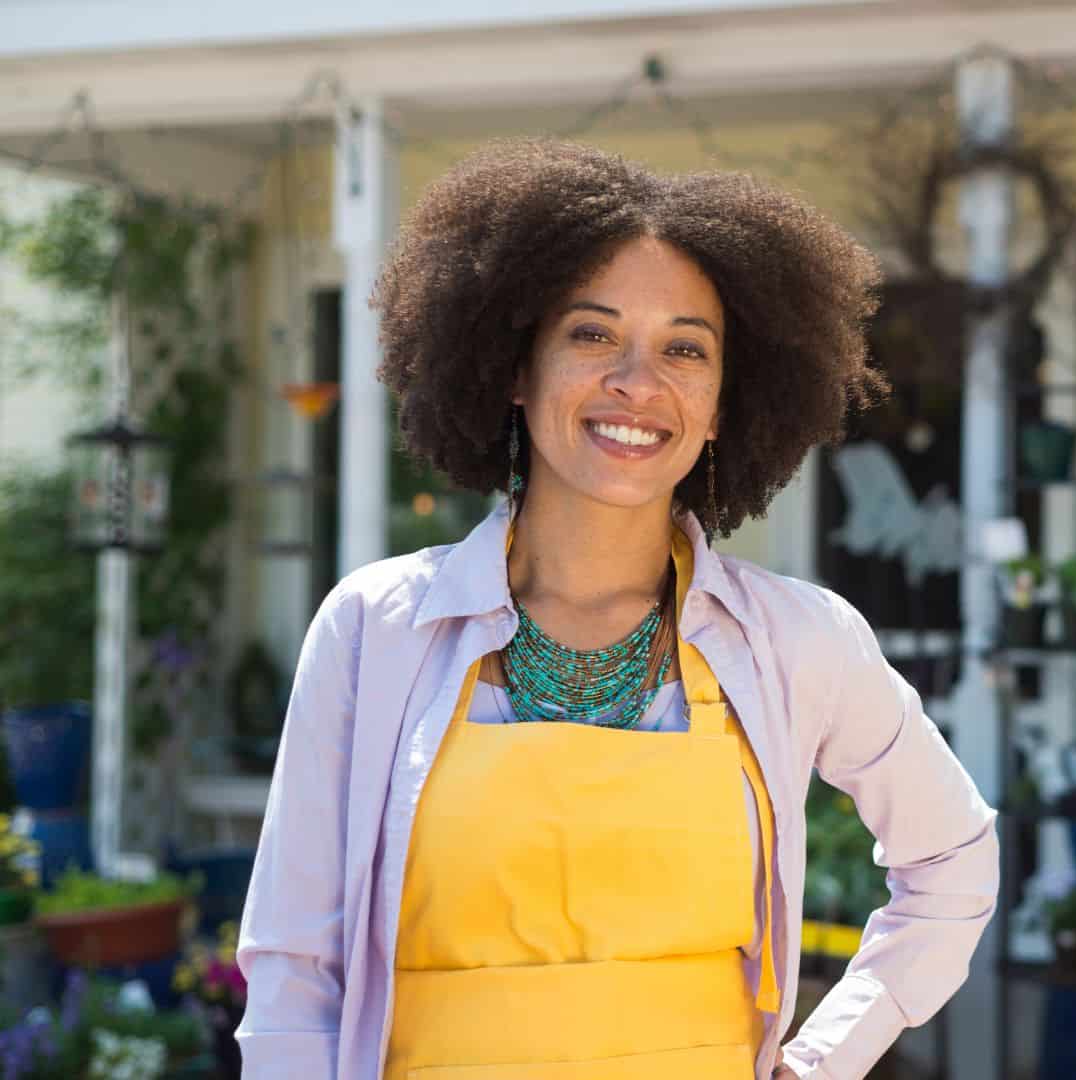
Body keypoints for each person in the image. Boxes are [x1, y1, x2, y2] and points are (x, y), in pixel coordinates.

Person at [235, 138, 1000, 1079]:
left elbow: (954, 865)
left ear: (724, 403)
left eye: (686, 349)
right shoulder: (376, 626)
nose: (638, 384)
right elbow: (292, 967)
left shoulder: (801, 640)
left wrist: (825, 1063)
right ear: (517, 369)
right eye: (592, 335)